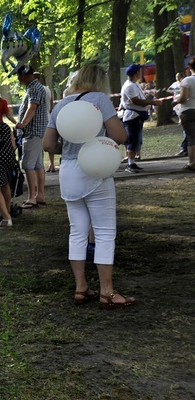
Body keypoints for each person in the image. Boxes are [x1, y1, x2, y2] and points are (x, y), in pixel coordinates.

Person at [43, 63, 135, 309]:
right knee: (104, 232)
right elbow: (120, 136)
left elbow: (48, 144)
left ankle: (81, 288)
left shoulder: (61, 105)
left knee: (77, 231)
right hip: (95, 169)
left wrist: (69, 149)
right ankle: (107, 292)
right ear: (100, 80)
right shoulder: (99, 99)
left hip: (69, 172)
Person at [120, 63, 162, 173]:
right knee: (132, 140)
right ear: (136, 73)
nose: (140, 73)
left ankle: (132, 162)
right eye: (139, 71)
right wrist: (153, 102)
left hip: (137, 115)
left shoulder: (135, 84)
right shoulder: (129, 86)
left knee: (136, 140)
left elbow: (140, 98)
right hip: (132, 116)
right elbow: (136, 101)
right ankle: (130, 164)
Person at [16, 65, 49, 209]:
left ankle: (31, 197)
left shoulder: (34, 88)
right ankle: (40, 195)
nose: (18, 78)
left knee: (28, 165)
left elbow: (32, 107)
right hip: (37, 131)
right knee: (37, 165)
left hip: (33, 131)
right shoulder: (35, 87)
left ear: (25, 75)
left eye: (19, 75)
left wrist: (23, 124)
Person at [174, 57, 195, 171]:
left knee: (191, 137)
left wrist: (176, 100)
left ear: (190, 67)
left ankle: (192, 162)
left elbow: (183, 98)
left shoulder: (187, 81)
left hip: (188, 110)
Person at [36, 72, 57, 172]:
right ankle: (52, 164)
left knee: (40, 143)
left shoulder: (36, 90)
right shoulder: (48, 89)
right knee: (50, 142)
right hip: (48, 117)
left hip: (40, 120)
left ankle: (42, 166)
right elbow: (51, 104)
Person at [169, 73, 188, 157]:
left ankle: (185, 149)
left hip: (187, 107)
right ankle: (185, 149)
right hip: (184, 106)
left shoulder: (186, 81)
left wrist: (175, 102)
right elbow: (169, 89)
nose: (177, 77)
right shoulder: (177, 83)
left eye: (178, 76)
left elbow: (183, 97)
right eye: (176, 76)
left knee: (188, 130)